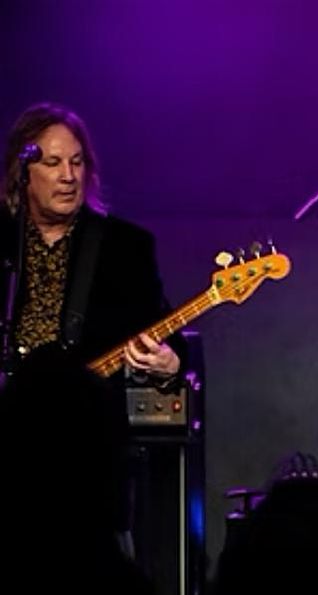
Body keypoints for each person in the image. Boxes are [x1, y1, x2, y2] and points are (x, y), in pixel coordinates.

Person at [1, 102, 182, 384]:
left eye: (77, 162)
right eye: (53, 163)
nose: (68, 176)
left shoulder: (125, 246)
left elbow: (166, 335)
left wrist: (170, 364)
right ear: (23, 173)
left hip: (91, 409)